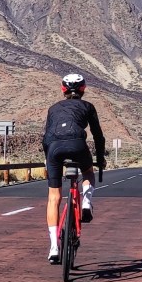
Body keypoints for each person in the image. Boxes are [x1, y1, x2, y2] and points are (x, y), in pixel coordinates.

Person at [41, 72, 105, 263]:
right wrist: (100, 158)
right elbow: (98, 136)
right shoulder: (88, 106)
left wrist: (48, 160)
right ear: (83, 89)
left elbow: (46, 137)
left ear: (63, 89)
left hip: (53, 149)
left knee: (54, 198)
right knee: (87, 172)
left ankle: (54, 247)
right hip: (78, 144)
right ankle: (86, 203)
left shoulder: (53, 109)